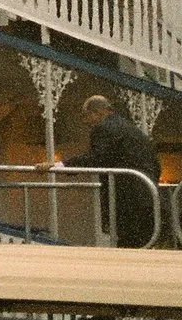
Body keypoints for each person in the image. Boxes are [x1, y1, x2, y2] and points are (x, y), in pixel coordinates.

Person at [62, 94, 161, 247]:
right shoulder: (131, 129)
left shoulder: (104, 128)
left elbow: (97, 158)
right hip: (147, 192)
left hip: (127, 196)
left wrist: (63, 165)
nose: (85, 122)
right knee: (141, 243)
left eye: (86, 116)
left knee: (128, 243)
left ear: (98, 112)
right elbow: (155, 163)